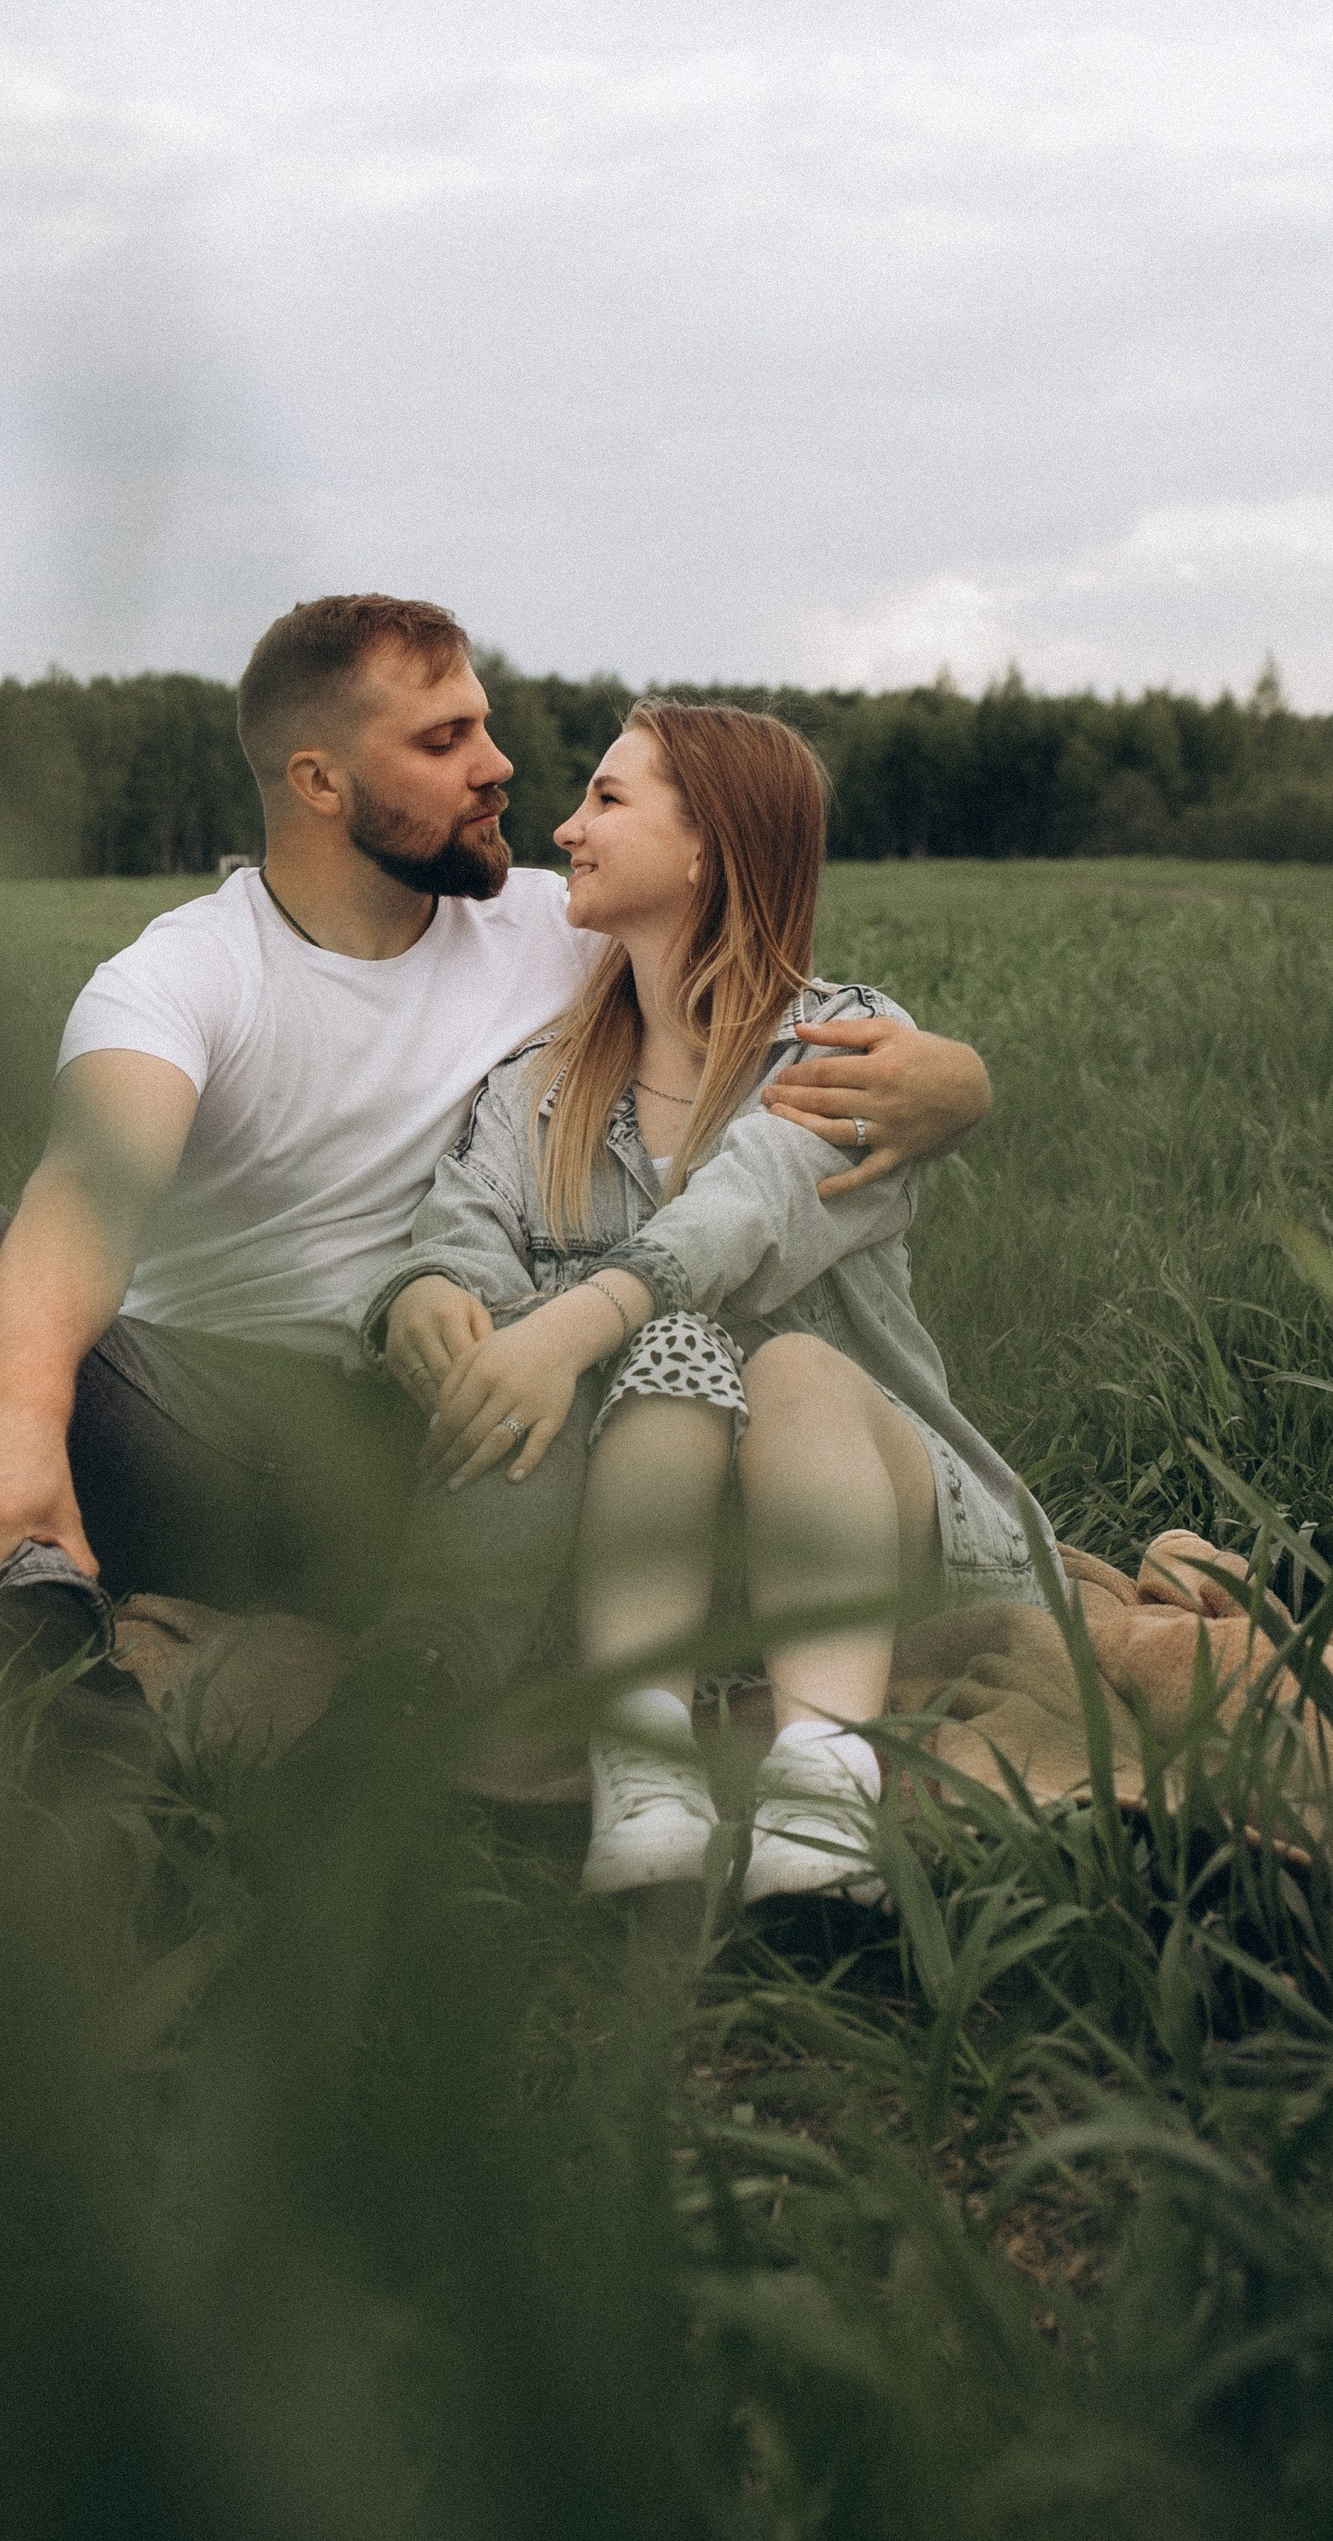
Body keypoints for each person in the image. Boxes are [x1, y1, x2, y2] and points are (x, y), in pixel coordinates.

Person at [0, 598, 995, 1641]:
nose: (500, 769)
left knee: (534, 1363)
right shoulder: (184, 974)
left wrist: (953, 1083)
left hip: (433, 1438)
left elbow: (749, 990)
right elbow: (86, 1194)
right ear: (321, 782)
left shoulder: (562, 928)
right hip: (189, 1427)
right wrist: (16, 1413)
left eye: (483, 726)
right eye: (445, 741)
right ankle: (23, 1601)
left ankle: (417, 1680)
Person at [361, 701, 1055, 1907]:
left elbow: (741, 1217)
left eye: (607, 798)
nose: (566, 829)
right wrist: (425, 1294)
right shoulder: (536, 1088)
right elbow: (459, 1229)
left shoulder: (844, 1045)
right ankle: (642, 1762)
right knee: (670, 1348)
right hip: (641, 1552)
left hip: (871, 1529)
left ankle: (825, 1782)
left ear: (706, 848)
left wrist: (564, 1328)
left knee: (778, 1362)